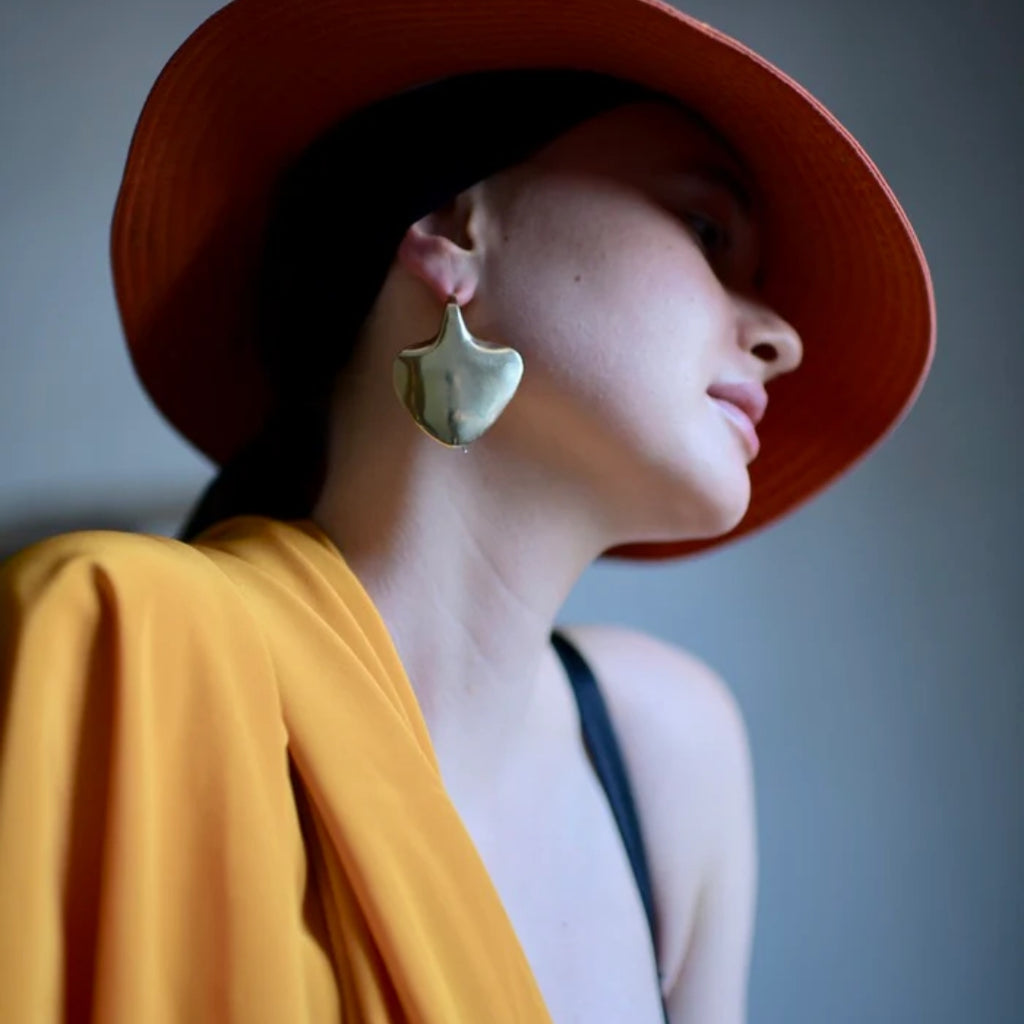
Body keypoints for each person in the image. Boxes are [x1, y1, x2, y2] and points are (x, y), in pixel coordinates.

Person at [0, 1, 935, 1022]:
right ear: (455, 228)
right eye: (709, 234)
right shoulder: (107, 633)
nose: (782, 338)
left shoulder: (672, 752)